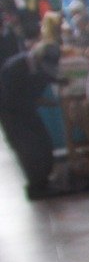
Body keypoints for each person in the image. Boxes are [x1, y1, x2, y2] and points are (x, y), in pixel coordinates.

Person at [0, 41, 62, 199]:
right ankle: (37, 187)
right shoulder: (15, 68)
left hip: (26, 110)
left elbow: (48, 77)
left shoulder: (37, 66)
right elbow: (10, 98)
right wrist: (42, 102)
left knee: (43, 143)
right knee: (29, 150)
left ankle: (43, 181)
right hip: (12, 114)